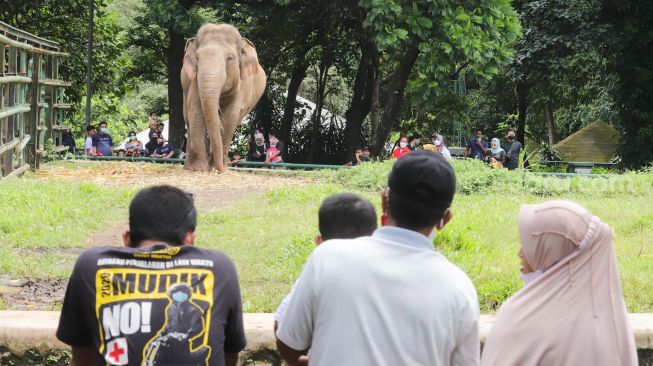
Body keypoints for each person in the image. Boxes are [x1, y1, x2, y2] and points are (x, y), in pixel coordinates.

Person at [277, 150, 479, 366]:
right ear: (445, 220)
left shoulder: (328, 257)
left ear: (384, 200)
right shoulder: (460, 288)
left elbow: (288, 346)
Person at [56, 185, 246, 366]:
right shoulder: (219, 268)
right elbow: (228, 357)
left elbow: (83, 359)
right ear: (189, 240)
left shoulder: (92, 265)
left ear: (127, 239)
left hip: (181, 344)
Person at [481, 201, 637, 366]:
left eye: (530, 247)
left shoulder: (520, 317)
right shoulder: (611, 317)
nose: (521, 253)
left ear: (551, 250)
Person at [274, 193, 377, 366]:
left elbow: (284, 335)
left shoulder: (322, 262)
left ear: (319, 242)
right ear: (374, 235)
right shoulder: (389, 269)